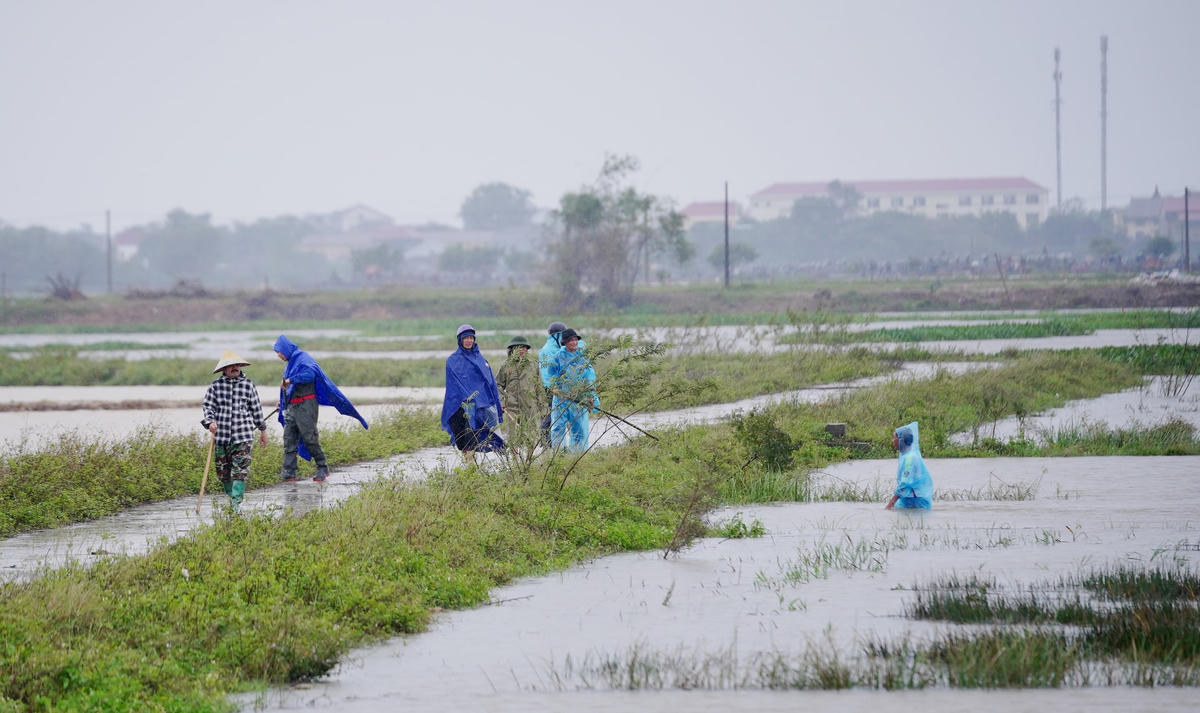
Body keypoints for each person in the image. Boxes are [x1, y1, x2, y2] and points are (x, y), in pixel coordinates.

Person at [273, 335, 368, 482]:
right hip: (292, 406)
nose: (278, 355)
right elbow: (289, 388)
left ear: (285, 349)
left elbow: (309, 375)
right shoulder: (290, 363)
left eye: (279, 351)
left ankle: (322, 468)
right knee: (289, 439)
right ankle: (289, 472)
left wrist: (291, 380)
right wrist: (283, 402)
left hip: (306, 405)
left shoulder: (303, 358)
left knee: (309, 437)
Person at [200, 350, 268, 511]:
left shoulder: (248, 385)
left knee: (240, 472)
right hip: (221, 437)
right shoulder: (215, 387)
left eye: (237, 365)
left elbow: (256, 410)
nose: (235, 368)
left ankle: (236, 505)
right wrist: (210, 422)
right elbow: (208, 407)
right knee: (223, 474)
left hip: (243, 436)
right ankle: (233, 498)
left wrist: (263, 430)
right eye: (231, 366)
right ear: (224, 369)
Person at [441, 324, 504, 459]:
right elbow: (455, 384)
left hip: (483, 405)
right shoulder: (453, 360)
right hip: (461, 405)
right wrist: (470, 398)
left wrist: (496, 404)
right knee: (465, 438)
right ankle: (469, 468)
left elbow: (490, 383)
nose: (469, 341)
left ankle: (508, 464)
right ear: (460, 340)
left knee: (494, 436)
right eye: (466, 338)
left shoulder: (481, 359)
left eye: (471, 338)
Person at [547, 328, 599, 453]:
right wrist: (554, 387)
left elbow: (589, 378)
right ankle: (559, 455)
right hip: (561, 399)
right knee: (558, 428)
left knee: (579, 428)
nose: (574, 343)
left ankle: (578, 454)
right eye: (571, 340)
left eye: (575, 340)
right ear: (565, 342)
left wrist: (591, 396)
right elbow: (550, 376)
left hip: (578, 399)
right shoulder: (557, 358)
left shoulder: (582, 358)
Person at [495, 335, 547, 458]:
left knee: (532, 437)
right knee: (513, 438)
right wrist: (502, 403)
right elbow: (497, 386)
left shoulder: (533, 365)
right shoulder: (506, 366)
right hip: (512, 408)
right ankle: (515, 462)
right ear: (512, 349)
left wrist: (544, 407)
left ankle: (528, 460)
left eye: (524, 347)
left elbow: (539, 387)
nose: (522, 350)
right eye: (518, 347)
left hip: (531, 407)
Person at [539, 321, 586, 448]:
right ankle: (549, 446)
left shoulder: (565, 348)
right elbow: (547, 373)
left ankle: (575, 449)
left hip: (571, 390)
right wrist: (553, 387)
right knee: (553, 419)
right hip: (554, 390)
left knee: (574, 421)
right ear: (555, 336)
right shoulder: (547, 351)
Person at [885, 421, 933, 510]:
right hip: (909, 499)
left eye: (894, 438)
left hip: (916, 501)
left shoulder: (910, 458)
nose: (892, 440)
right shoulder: (907, 456)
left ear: (901, 440)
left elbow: (905, 483)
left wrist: (891, 503)